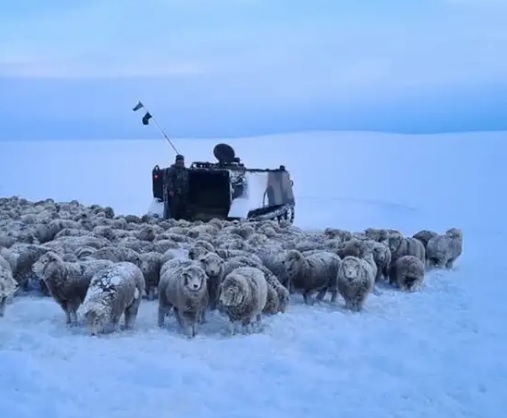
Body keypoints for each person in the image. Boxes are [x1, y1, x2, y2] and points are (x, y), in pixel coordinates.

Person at [164, 154, 189, 220]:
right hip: (175, 192)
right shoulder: (172, 169)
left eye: (182, 161)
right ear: (176, 161)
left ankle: (181, 220)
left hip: (183, 192)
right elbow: (169, 180)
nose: (181, 163)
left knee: (182, 207)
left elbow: (186, 180)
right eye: (179, 161)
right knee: (174, 207)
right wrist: (171, 190)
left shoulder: (184, 170)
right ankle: (173, 219)